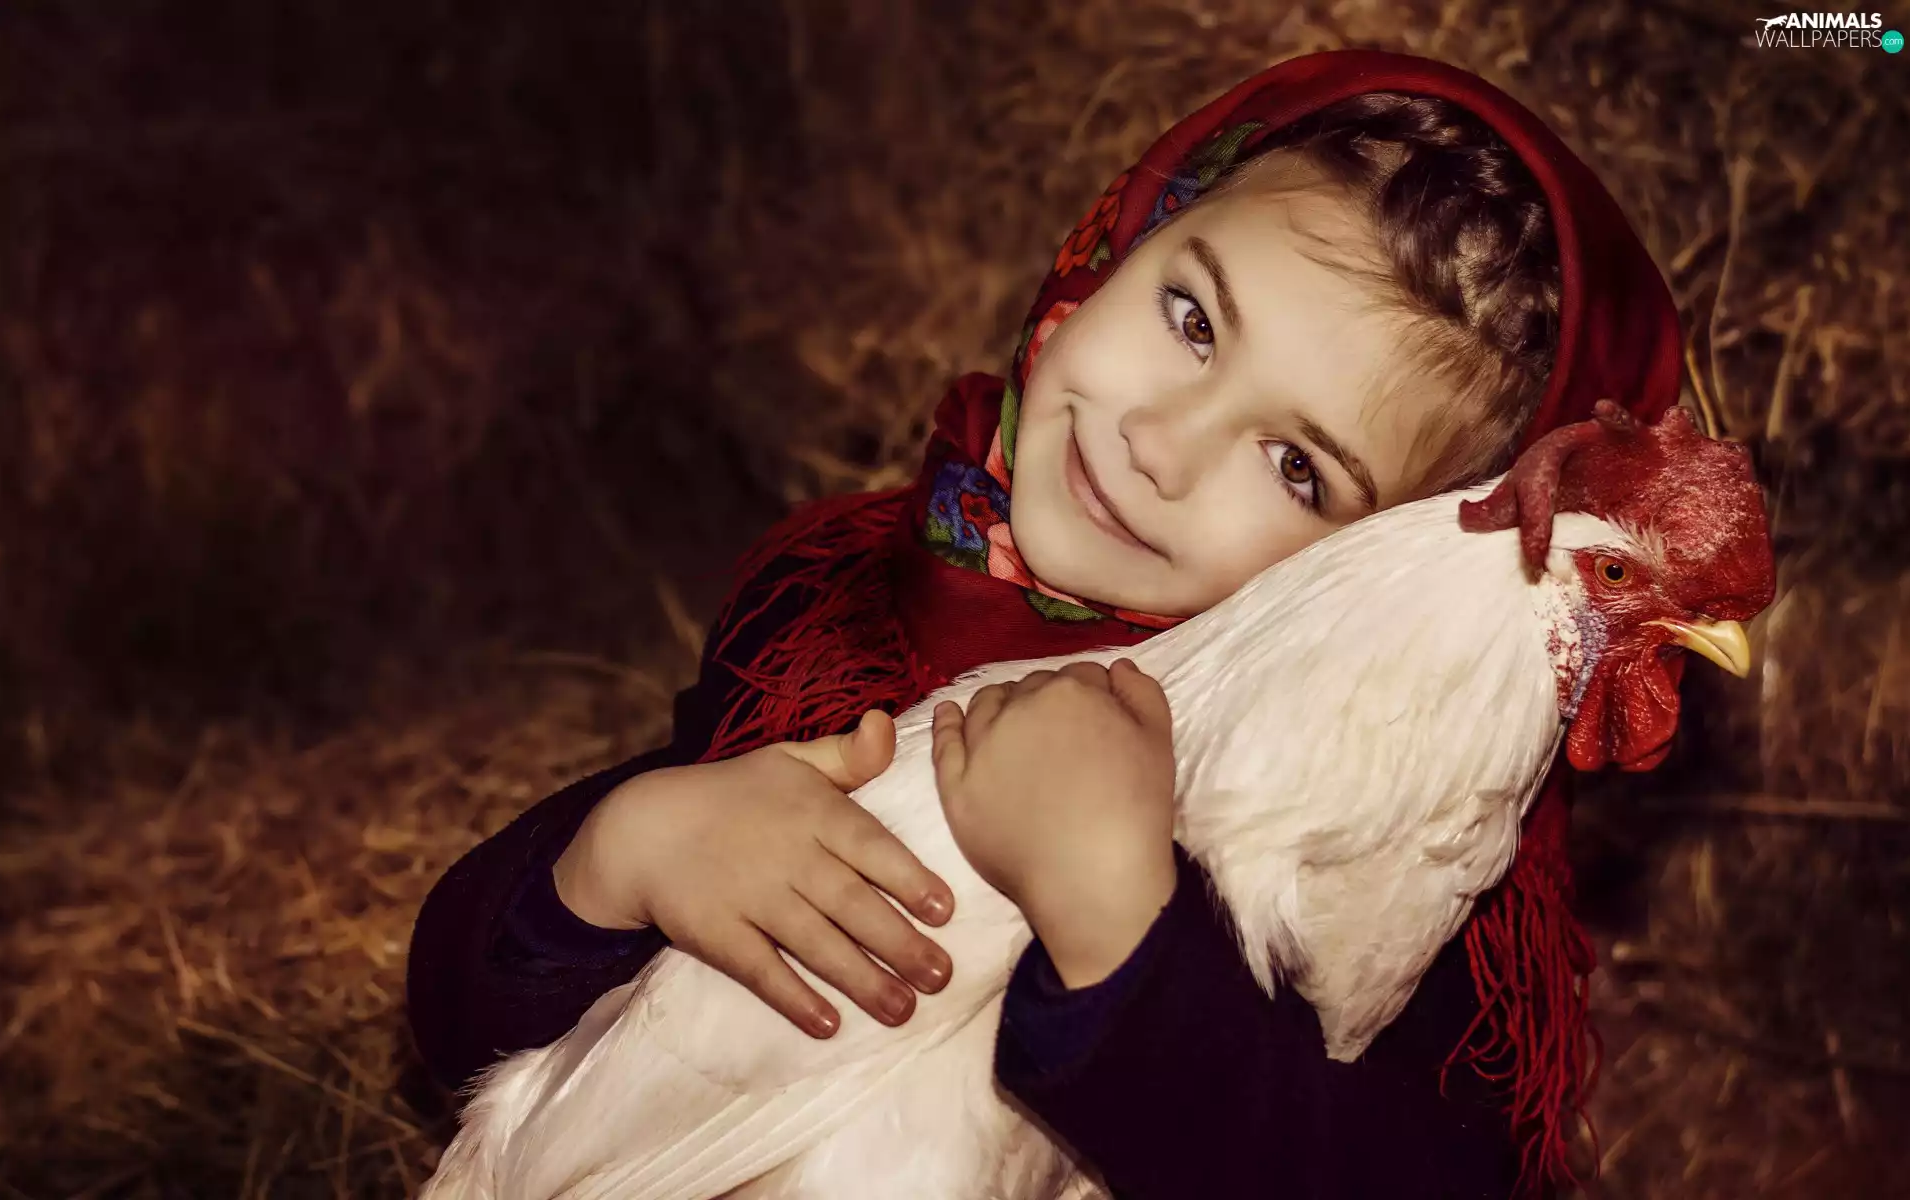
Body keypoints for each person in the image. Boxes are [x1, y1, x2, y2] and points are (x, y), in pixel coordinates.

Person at [407, 49, 1680, 1199]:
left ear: (1391, 567)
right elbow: (476, 1040)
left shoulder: (1377, 857)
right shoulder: (837, 621)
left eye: (1297, 467)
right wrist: (617, 863)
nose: (1159, 442)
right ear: (1118, 238)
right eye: (1192, 321)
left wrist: (1126, 931)